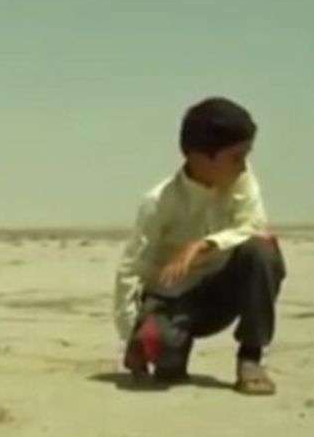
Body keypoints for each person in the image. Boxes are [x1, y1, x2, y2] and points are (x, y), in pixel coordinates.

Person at [113, 97, 287, 394]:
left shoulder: (242, 180)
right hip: (174, 301)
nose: (244, 165)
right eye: (236, 157)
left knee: (262, 250)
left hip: (222, 293)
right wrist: (132, 337)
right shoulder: (159, 203)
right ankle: (169, 352)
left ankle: (251, 358)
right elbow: (132, 270)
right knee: (163, 362)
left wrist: (203, 245)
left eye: (246, 155)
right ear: (200, 157)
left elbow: (254, 227)